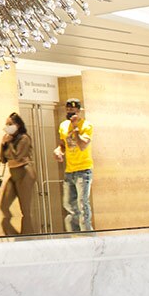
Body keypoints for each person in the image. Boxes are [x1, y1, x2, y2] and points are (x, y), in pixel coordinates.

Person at [54, 98, 94, 232]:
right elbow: (63, 144)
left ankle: (88, 236)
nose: (70, 111)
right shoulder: (63, 125)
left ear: (79, 110)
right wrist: (59, 151)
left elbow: (82, 145)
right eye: (68, 109)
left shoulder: (86, 126)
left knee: (82, 205)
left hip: (83, 170)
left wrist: (76, 128)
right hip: (69, 170)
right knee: (69, 205)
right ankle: (75, 235)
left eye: (73, 109)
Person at [0, 112, 36, 236]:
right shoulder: (8, 139)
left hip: (24, 172)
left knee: (25, 209)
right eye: (6, 124)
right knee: (4, 206)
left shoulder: (24, 138)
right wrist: (3, 144)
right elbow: (3, 159)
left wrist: (8, 143)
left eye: (10, 124)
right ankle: (17, 237)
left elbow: (18, 156)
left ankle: (28, 238)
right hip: (13, 173)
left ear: (18, 125)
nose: (7, 126)